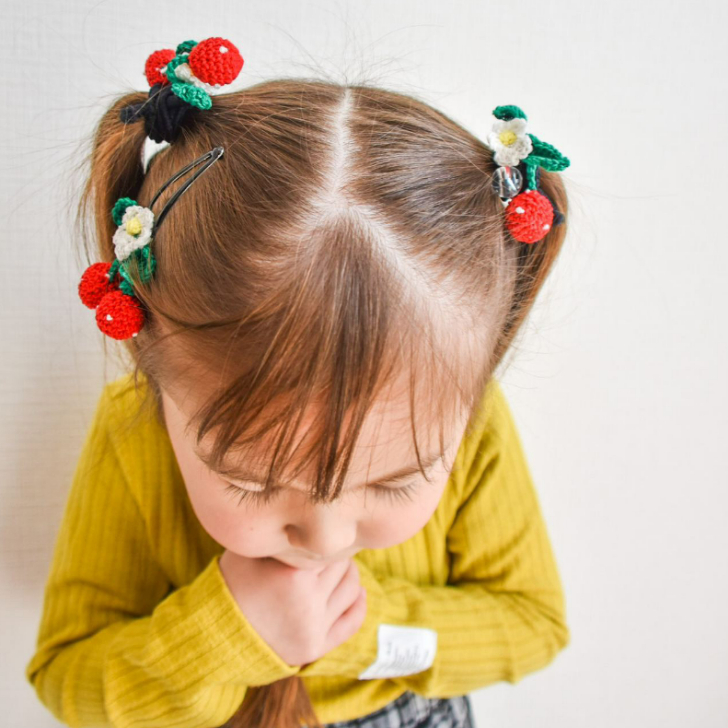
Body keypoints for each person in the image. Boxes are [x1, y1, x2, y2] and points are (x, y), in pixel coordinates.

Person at [25, 37, 571, 728]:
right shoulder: (129, 432)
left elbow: (533, 623)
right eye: (251, 481)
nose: (323, 537)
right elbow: (67, 675)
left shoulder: (476, 424)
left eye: (395, 481)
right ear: (152, 362)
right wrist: (224, 633)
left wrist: (365, 631)